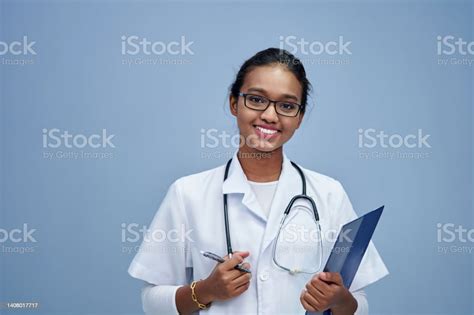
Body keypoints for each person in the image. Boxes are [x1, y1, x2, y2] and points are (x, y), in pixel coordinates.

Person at [128, 48, 389, 315]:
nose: (270, 116)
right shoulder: (188, 194)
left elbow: (358, 301)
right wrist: (206, 290)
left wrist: (338, 301)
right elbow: (152, 301)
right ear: (233, 103)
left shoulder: (329, 194)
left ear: (299, 117)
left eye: (287, 106)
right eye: (256, 99)